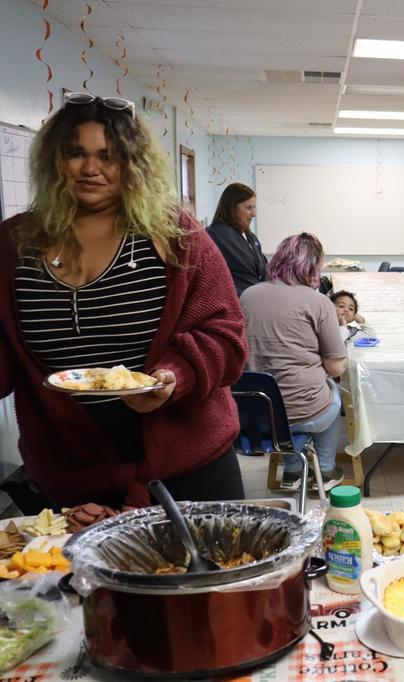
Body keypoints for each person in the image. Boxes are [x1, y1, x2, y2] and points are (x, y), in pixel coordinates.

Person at [0, 92, 246, 509]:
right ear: (55, 160)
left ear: (133, 163)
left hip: (187, 468)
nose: (91, 168)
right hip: (72, 474)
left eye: (108, 155)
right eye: (76, 153)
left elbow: (226, 336)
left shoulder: (175, 236)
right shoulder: (13, 244)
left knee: (207, 573)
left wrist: (173, 376)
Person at [241, 233, 348, 488]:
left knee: (287, 402)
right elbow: (335, 367)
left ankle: (293, 472)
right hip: (303, 410)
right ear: (313, 266)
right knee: (333, 394)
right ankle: (325, 470)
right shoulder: (319, 302)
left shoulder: (247, 296)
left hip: (254, 413)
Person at [208, 182, 267, 296]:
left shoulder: (250, 237)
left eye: (254, 207)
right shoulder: (214, 236)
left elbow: (263, 268)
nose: (254, 214)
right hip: (235, 305)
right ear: (232, 208)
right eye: (249, 208)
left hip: (254, 303)